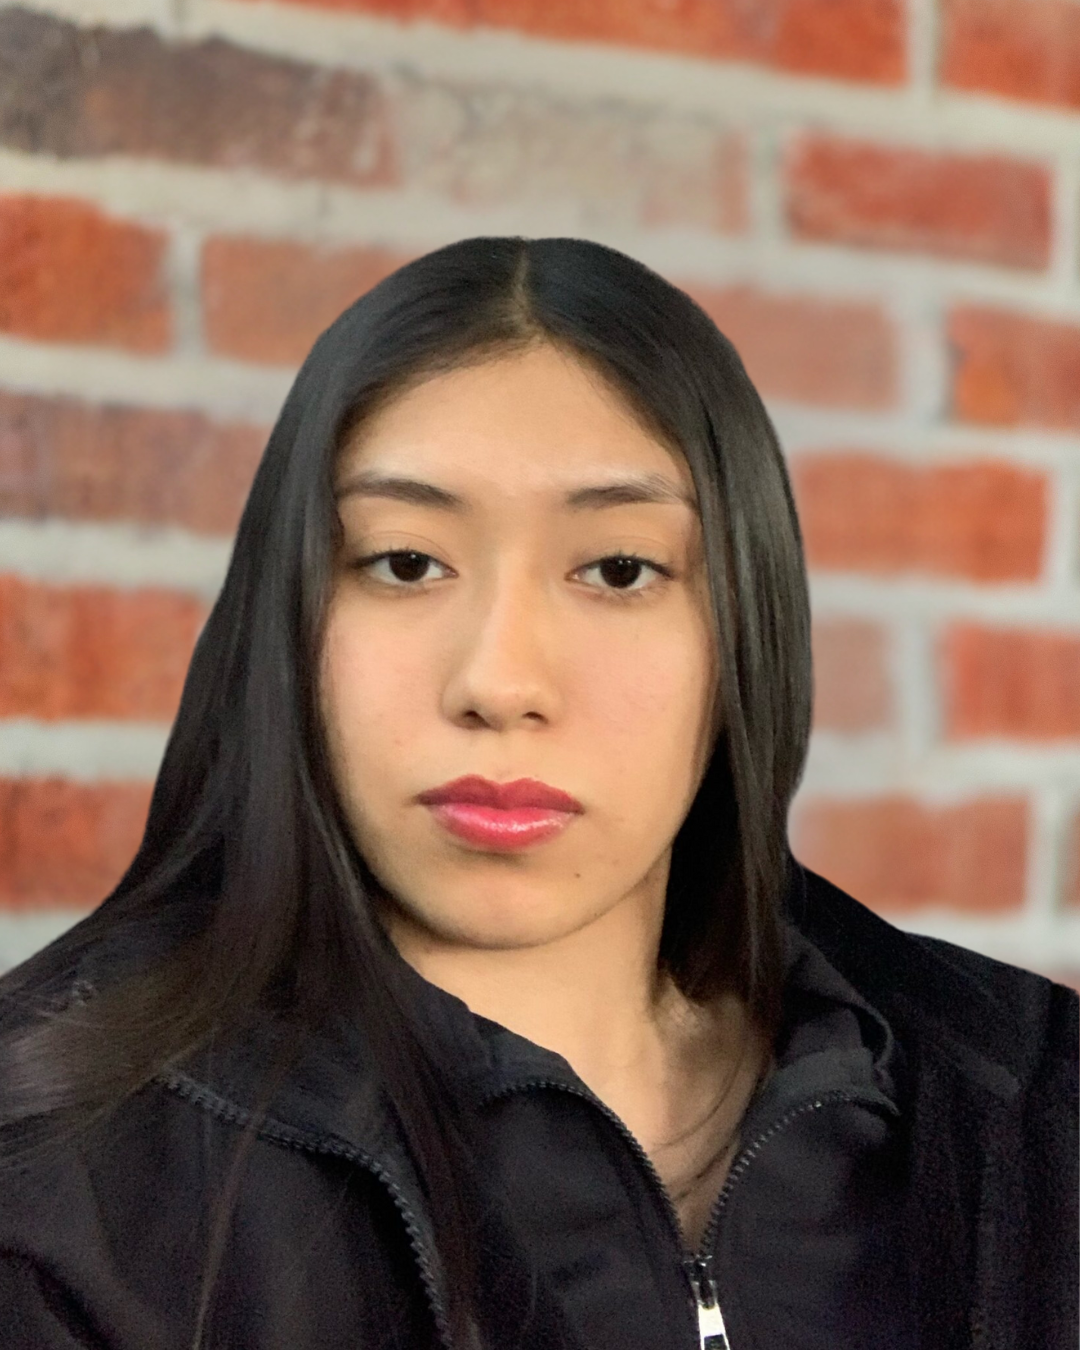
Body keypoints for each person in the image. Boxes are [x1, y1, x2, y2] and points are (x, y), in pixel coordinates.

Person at [0, 236, 1075, 1350]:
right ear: (292, 614)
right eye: (406, 563)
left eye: (618, 570)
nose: (500, 683)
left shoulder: (1033, 1117)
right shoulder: (58, 1200)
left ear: (743, 631)